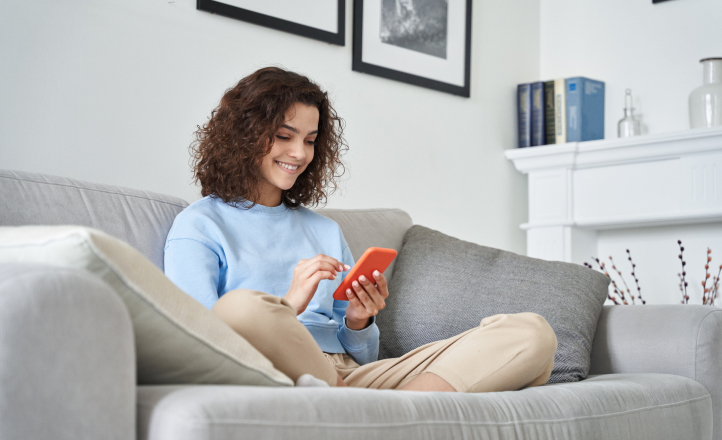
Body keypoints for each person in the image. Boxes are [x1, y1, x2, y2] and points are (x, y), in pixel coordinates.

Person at [164, 66, 557, 391]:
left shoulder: (324, 230)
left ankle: (398, 409)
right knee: (240, 307)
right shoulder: (200, 225)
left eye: (310, 140)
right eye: (284, 136)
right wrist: (288, 305)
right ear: (243, 136)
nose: (299, 153)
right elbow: (200, 340)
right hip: (278, 370)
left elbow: (363, 355)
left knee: (531, 333)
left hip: (351, 378)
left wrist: (358, 320)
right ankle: (379, 409)